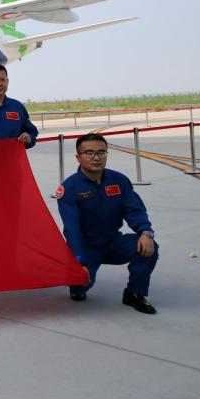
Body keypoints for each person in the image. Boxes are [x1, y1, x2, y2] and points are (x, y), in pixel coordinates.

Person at [56, 133, 159, 314]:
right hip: (87, 247)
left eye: (101, 152)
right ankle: (77, 286)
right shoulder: (69, 188)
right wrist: (79, 261)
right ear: (78, 157)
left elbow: (134, 210)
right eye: (89, 153)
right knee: (80, 285)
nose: (96, 158)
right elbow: (72, 229)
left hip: (113, 242)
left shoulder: (118, 180)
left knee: (149, 247)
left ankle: (134, 293)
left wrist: (145, 231)